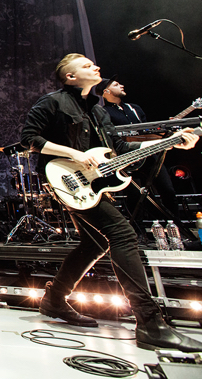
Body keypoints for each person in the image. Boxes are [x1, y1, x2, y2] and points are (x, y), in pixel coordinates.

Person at [21, 53, 202, 351]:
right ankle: (150, 323)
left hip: (93, 184)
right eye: (86, 65)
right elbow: (30, 139)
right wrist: (77, 155)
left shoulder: (99, 111)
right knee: (122, 234)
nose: (96, 67)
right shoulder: (52, 102)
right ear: (70, 77)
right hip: (64, 178)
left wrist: (168, 141)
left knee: (94, 244)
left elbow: (116, 148)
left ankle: (54, 300)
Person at [96, 77, 188, 239]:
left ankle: (176, 229)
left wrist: (163, 131)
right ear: (106, 92)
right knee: (134, 196)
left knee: (168, 191)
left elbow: (145, 131)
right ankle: (138, 233)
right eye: (116, 84)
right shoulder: (103, 112)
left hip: (149, 155)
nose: (122, 85)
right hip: (126, 158)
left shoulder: (134, 108)